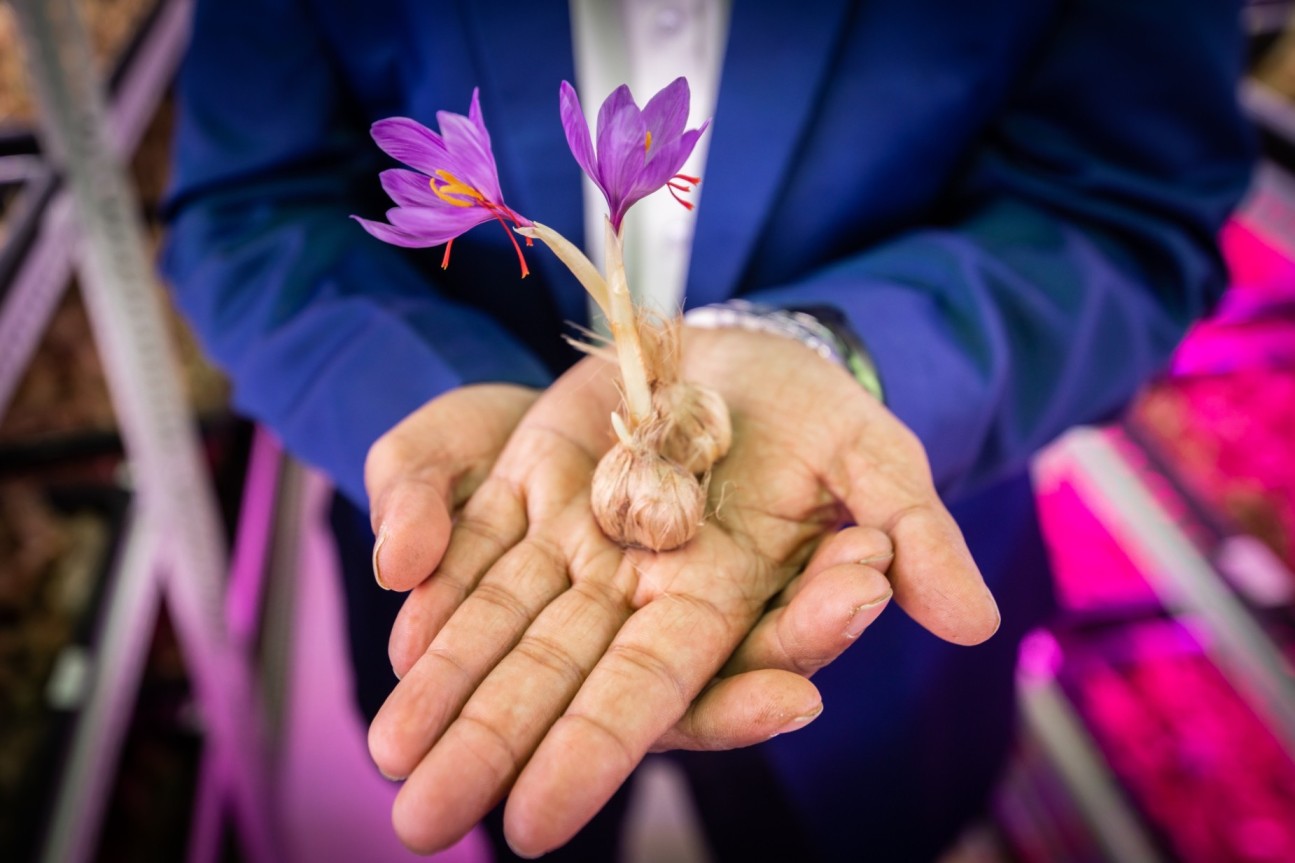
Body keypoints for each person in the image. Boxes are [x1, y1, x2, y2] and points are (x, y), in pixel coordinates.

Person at [160, 1, 1253, 860]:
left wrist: (833, 351)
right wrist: (423, 390)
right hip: (482, 553)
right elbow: (253, 207)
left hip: (868, 613)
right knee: (537, 814)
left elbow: (1123, 207)